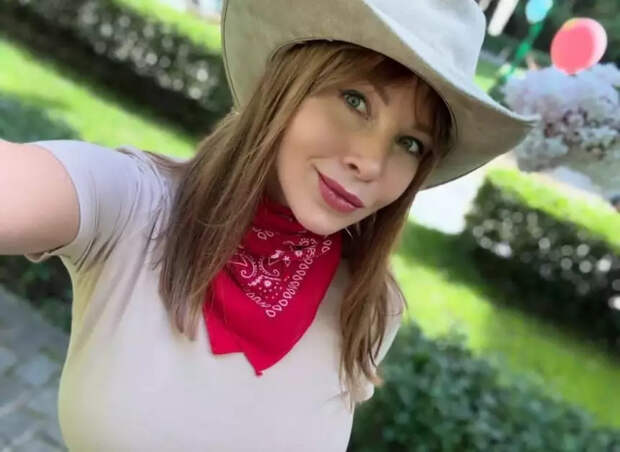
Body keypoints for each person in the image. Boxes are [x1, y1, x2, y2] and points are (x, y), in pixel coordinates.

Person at [0, 0, 538, 450]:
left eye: (410, 143)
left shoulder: (372, 308)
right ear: (286, 86)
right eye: (356, 101)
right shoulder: (134, 205)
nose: (371, 163)